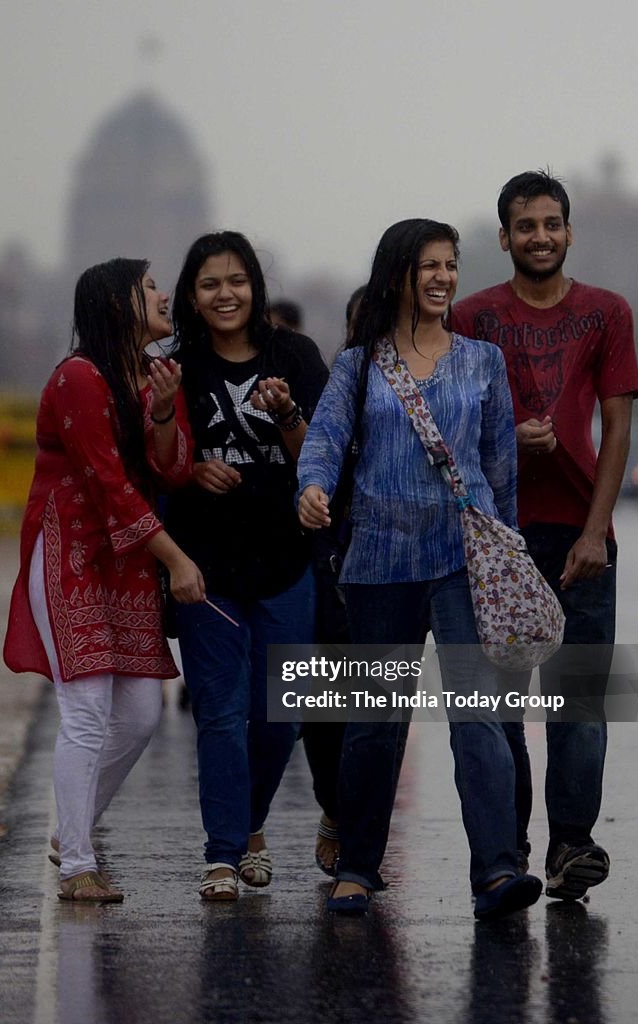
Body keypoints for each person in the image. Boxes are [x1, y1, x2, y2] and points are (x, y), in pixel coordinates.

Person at [298, 218, 542, 918]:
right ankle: (358, 867)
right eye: (427, 266)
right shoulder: (358, 366)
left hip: (464, 563)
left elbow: (499, 467)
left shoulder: (481, 361)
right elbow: (324, 440)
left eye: (449, 265)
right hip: (377, 561)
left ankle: (496, 871)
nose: (441, 278)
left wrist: (508, 552)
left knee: (478, 717)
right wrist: (311, 488)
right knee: (375, 722)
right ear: (397, 275)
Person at [451, 170, 638, 900]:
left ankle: (571, 845)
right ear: (502, 237)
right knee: (499, 707)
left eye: (550, 224)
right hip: (498, 538)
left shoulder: (607, 312)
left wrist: (597, 531)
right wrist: (506, 441)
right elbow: (453, 423)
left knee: (579, 704)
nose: (539, 236)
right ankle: (509, 848)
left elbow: (616, 424)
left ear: (568, 232)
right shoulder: (471, 318)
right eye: (524, 225)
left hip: (579, 532)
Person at [3, 259, 206, 902]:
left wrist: (168, 408)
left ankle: (74, 829)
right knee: (87, 712)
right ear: (117, 303)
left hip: (125, 560)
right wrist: (177, 559)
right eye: (149, 287)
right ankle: (77, 867)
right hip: (72, 555)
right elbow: (110, 486)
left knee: (141, 714)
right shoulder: (77, 378)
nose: (164, 294)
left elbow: (174, 471)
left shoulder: (145, 380)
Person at [167, 230, 329, 900]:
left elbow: (320, 454)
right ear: (192, 296)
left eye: (235, 281)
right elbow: (155, 458)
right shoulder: (177, 366)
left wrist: (286, 410)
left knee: (281, 717)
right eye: (209, 284)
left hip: (286, 561)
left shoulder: (295, 355)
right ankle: (223, 856)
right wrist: (189, 467)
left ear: (254, 287)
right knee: (220, 712)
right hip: (206, 566)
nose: (224, 294)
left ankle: (250, 822)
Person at [302, 282, 367, 877]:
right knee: (326, 709)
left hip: (399, 562)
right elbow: (312, 455)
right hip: (328, 560)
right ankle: (332, 809)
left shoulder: (441, 381)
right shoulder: (336, 387)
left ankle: (360, 840)